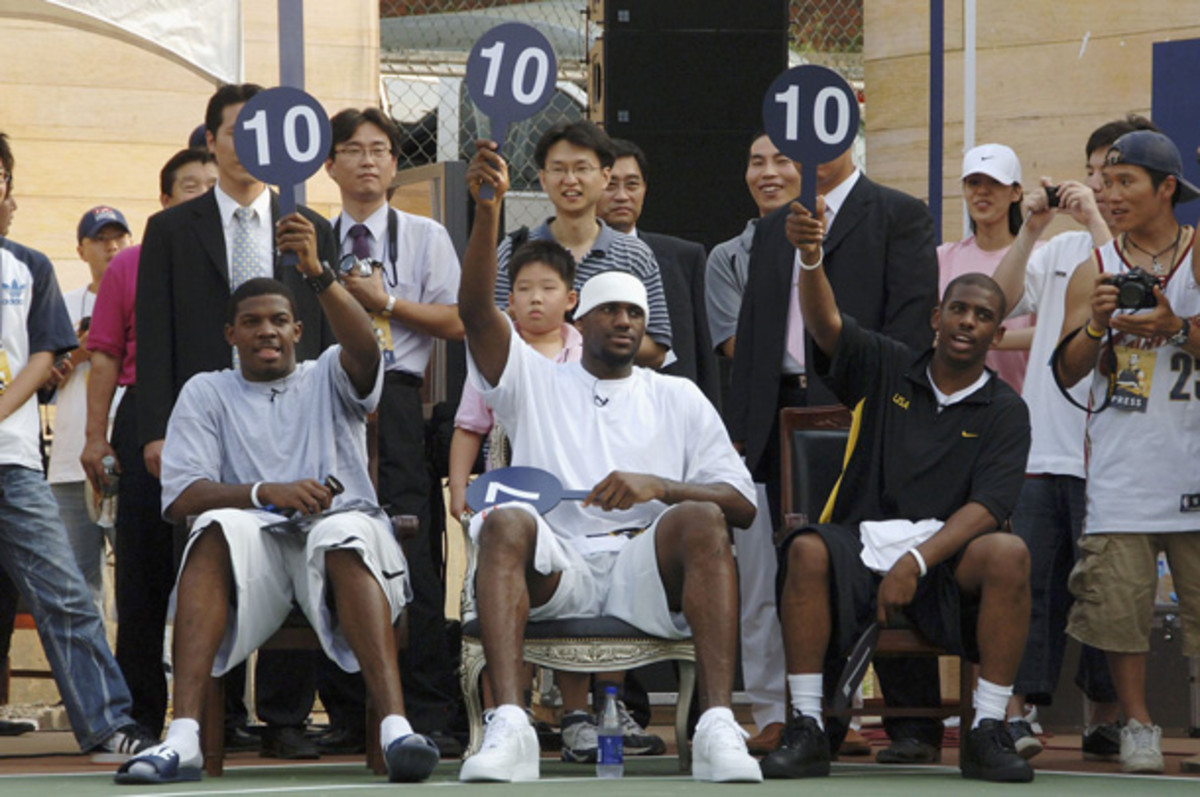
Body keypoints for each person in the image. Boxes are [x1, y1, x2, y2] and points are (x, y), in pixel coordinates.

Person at [456, 140, 762, 784]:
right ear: (578, 315)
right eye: (608, 311)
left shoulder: (677, 395)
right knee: (505, 522)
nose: (623, 322)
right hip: (558, 566)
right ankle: (510, 725)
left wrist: (662, 486)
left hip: (642, 567)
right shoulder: (535, 379)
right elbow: (478, 313)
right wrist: (488, 212)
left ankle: (715, 724)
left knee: (706, 518)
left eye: (633, 312)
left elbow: (743, 504)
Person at [114, 240, 438, 784]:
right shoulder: (206, 390)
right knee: (213, 527)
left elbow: (363, 347)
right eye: (252, 321)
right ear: (230, 335)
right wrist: (267, 491)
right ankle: (183, 736)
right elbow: (182, 496)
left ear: (298, 331)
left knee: (342, 533)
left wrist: (318, 276)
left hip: (338, 539)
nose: (267, 330)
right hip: (254, 547)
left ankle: (395, 729)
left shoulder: (328, 371)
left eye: (280, 320)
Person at [762, 193, 1033, 783]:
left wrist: (916, 560)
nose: (968, 322)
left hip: (946, 561)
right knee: (806, 549)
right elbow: (826, 324)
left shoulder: (1006, 410)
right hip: (862, 544)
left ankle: (987, 729)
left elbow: (989, 507)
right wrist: (810, 259)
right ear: (937, 318)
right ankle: (808, 726)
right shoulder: (886, 364)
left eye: (982, 316)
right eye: (958, 310)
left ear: (996, 330)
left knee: (1009, 551)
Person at [136, 83, 338, 759]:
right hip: (205, 423)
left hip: (291, 419)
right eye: (235, 133)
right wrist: (158, 430)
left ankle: (284, 715)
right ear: (211, 141)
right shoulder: (171, 228)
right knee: (209, 552)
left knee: (295, 538)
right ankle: (209, 715)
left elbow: (331, 328)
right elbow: (156, 336)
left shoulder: (307, 224)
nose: (248, 146)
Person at [728, 139, 944, 762]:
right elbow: (756, 329)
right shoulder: (774, 228)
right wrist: (742, 429)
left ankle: (910, 724)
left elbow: (909, 327)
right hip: (780, 413)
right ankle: (810, 719)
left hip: (867, 410)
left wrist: (893, 409)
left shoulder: (898, 215)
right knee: (796, 561)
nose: (780, 164)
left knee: (881, 548)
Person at [988, 118, 1154, 762]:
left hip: (1116, 454)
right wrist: (1030, 228)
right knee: (1027, 583)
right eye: (1094, 174)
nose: (1101, 188)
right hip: (1043, 447)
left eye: (1117, 177)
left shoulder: (1151, 256)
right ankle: (1017, 713)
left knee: (1108, 592)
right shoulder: (1057, 253)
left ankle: (1105, 717)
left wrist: (1095, 228)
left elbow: (1133, 310)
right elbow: (997, 309)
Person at [0, 130, 156, 761]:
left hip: (11, 463)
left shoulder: (28, 266)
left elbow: (45, 354)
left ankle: (105, 724)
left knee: (65, 590)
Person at [318, 106, 464, 756]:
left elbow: (461, 319)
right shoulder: (311, 238)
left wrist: (388, 304)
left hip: (402, 401)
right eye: (353, 149)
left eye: (380, 149)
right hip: (328, 394)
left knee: (412, 546)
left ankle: (429, 708)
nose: (368, 160)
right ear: (330, 165)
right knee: (330, 536)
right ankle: (349, 711)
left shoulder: (425, 234)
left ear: (396, 163)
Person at [1055, 129, 1200, 774]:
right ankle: (1139, 724)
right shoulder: (1097, 265)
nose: (1110, 196)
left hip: (1193, 463)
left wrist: (1177, 325)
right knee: (1118, 608)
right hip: (1121, 469)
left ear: (1167, 187)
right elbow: (1066, 371)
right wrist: (1095, 323)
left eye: (1125, 183)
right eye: (1105, 183)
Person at [80, 149, 218, 737]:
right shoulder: (130, 264)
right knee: (141, 571)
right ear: (165, 201)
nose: (202, 195)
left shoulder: (235, 256)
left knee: (222, 559)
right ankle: (140, 711)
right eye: (191, 186)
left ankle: (224, 715)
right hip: (145, 417)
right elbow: (106, 352)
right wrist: (94, 436)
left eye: (211, 185)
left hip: (221, 415)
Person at [702, 131, 802, 755]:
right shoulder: (728, 257)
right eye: (755, 161)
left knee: (830, 566)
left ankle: (825, 707)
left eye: (781, 160)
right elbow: (740, 348)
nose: (767, 173)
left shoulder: (837, 243)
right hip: (761, 421)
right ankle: (770, 708)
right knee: (760, 574)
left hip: (839, 416)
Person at [491, 121, 672, 370]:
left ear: (604, 177)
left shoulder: (634, 254)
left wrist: (593, 335)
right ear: (543, 179)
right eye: (558, 169)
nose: (570, 180)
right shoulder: (514, 249)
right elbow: (490, 335)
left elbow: (658, 350)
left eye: (582, 168)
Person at [42, 206, 132, 622]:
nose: (111, 247)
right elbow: (40, 382)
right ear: (81, 251)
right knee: (78, 582)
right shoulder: (61, 304)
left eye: (118, 237)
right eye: (99, 239)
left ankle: (152, 678)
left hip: (127, 450)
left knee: (138, 574)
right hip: (70, 458)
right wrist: (83, 348)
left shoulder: (141, 298)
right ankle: (88, 682)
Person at [598, 138, 719, 405]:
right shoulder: (567, 258)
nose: (622, 196)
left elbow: (702, 355)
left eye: (632, 184)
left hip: (668, 408)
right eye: (610, 185)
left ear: (644, 189)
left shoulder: (684, 257)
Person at [937, 143, 1034, 393]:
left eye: (994, 183)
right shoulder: (943, 257)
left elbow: (1055, 331)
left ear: (1016, 192)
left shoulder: (1041, 256)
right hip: (956, 403)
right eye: (973, 183)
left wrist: (984, 339)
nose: (982, 191)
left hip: (1024, 402)